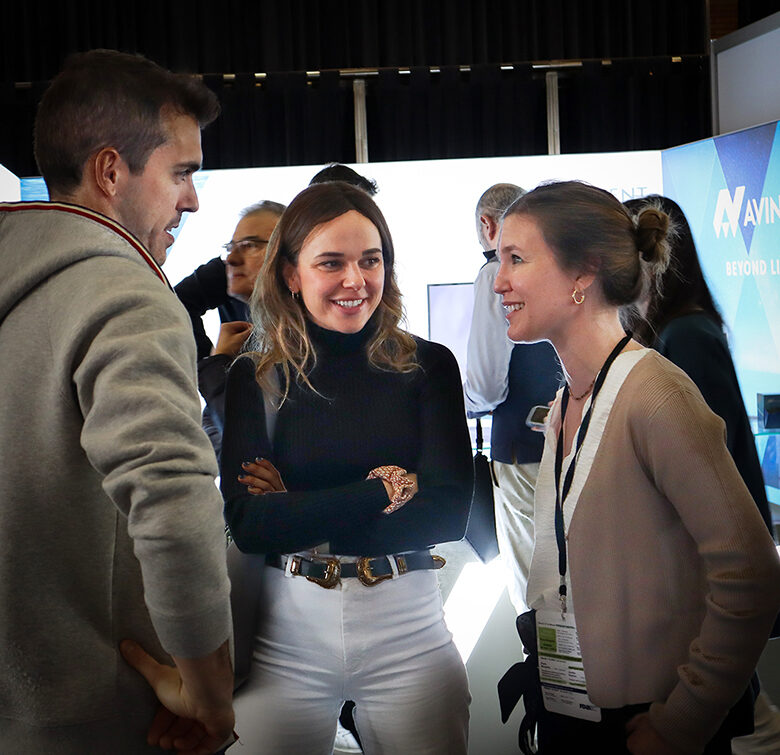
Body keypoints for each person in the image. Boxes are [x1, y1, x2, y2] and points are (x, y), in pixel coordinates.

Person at [0, 49, 235, 753]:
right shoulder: (128, 295)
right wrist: (209, 689)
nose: (192, 200)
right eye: (182, 173)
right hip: (96, 717)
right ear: (110, 171)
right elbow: (171, 501)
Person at [493, 180, 780, 754]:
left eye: (516, 259)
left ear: (583, 273)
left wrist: (683, 721)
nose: (499, 281)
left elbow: (750, 573)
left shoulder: (656, 395)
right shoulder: (568, 403)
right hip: (576, 712)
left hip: (643, 724)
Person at [220, 181, 473, 754]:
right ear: (292, 274)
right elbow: (252, 526)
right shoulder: (256, 377)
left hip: (410, 633)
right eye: (331, 263)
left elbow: (447, 514)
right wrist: (383, 489)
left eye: (371, 260)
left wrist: (296, 507)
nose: (355, 281)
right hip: (285, 639)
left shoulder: (428, 365)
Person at [623, 195, 780, 755]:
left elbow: (713, 463)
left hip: (708, 552)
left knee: (737, 710)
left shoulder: (686, 335)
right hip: (696, 553)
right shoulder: (671, 331)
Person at [464, 182, 560, 612]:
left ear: (487, 225)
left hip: (520, 447)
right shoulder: (556, 265)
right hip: (569, 434)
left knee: (533, 586)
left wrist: (462, 405)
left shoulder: (494, 275)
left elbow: (486, 386)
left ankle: (541, 656)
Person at [175, 200, 285, 455]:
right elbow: (175, 302)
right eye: (230, 248)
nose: (232, 260)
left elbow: (249, 443)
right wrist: (209, 359)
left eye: (250, 246)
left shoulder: (309, 338)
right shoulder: (225, 272)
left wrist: (216, 365)